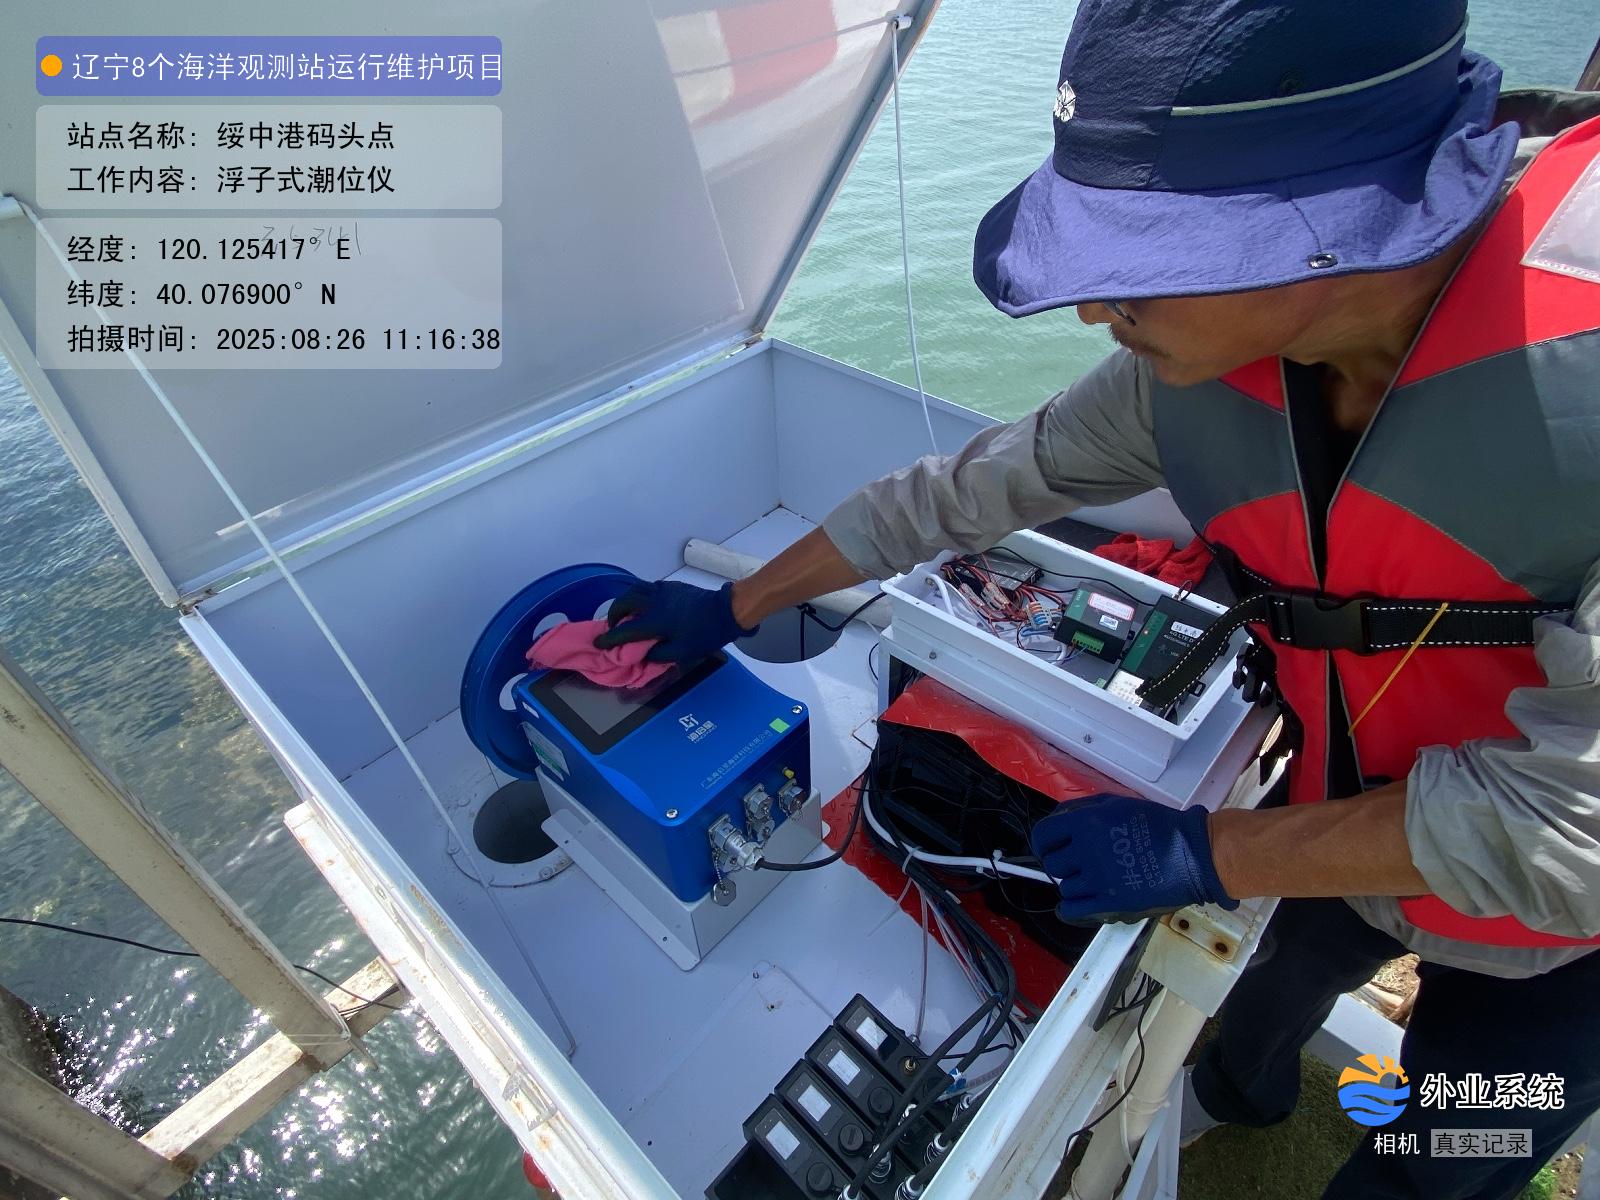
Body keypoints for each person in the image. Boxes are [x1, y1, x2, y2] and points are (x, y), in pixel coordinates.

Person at [597, 2, 1600, 1195]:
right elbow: (958, 495)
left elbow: (1568, 835)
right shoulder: (1176, 379)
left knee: (1445, 1154)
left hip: (1560, 938)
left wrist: (1208, 849)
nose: (1089, 310)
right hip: (1341, 806)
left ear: (1320, 234)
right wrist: (737, 606)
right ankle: (1243, 1091)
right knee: (1266, 999)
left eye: (1139, 268)